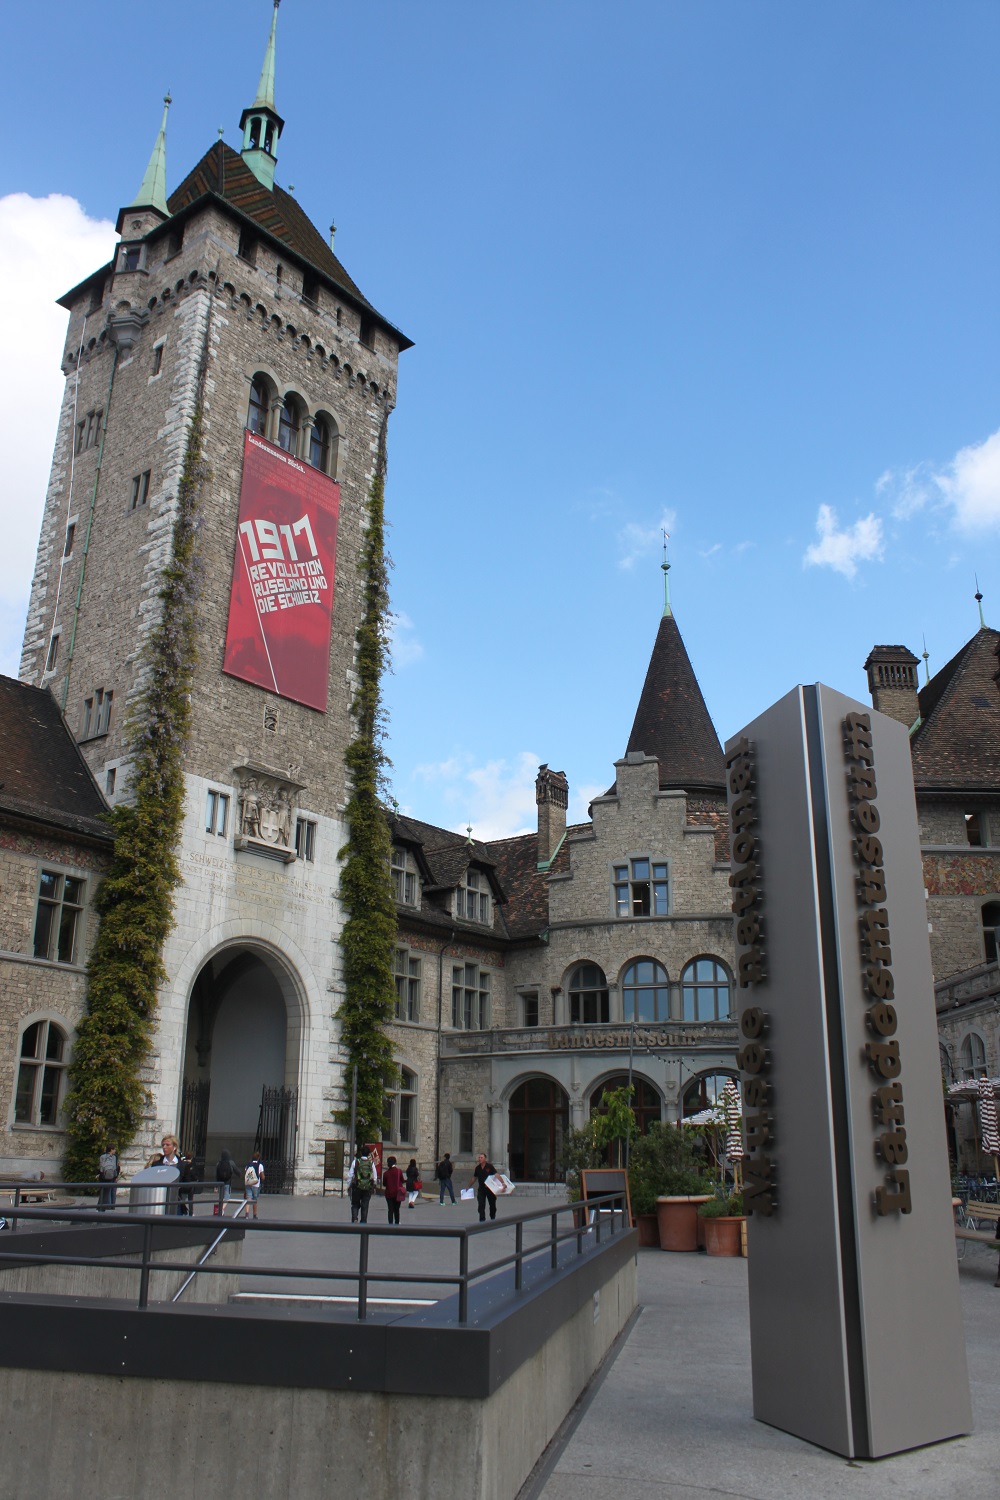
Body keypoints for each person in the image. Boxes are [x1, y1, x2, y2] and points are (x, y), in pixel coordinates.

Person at [348, 1148, 376, 1224]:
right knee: (365, 1205)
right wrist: (373, 1186)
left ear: (361, 1153)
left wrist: (349, 1185)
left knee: (355, 1204)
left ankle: (354, 1218)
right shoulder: (371, 1163)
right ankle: (363, 1221)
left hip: (357, 1186)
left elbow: (350, 1175)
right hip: (367, 1188)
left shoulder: (356, 1162)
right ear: (369, 1154)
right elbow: (375, 1177)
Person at [470, 1152, 498, 1222]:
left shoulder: (490, 1167)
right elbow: (474, 1177)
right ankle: (482, 1219)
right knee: (481, 1205)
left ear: (485, 1159)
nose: (480, 1159)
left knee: (492, 1205)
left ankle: (493, 1217)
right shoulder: (477, 1168)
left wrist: (503, 1183)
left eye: (481, 1157)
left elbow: (496, 1175)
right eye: (479, 1157)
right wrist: (468, 1186)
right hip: (481, 1189)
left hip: (490, 1189)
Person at [382, 1155, 405, 1226]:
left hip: (389, 1194)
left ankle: (390, 1223)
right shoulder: (399, 1171)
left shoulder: (385, 1173)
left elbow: (384, 1184)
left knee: (390, 1209)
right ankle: (397, 1222)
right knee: (397, 1209)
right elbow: (402, 1180)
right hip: (397, 1193)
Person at [97, 1143, 120, 1212]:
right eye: (114, 1149)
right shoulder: (114, 1157)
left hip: (103, 1176)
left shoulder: (102, 1156)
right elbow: (115, 1168)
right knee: (109, 1192)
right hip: (111, 1176)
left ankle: (100, 1208)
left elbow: (101, 1167)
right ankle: (108, 1208)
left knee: (103, 1192)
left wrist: (100, 1174)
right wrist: (115, 1176)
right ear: (111, 1150)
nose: (115, 1150)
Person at [244, 1151, 264, 1219]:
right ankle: (254, 1214)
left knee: (248, 1198)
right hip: (256, 1184)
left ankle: (246, 1213)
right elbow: (262, 1176)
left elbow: (246, 1173)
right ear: (258, 1158)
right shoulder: (260, 1165)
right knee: (255, 1199)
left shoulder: (248, 1164)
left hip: (248, 1183)